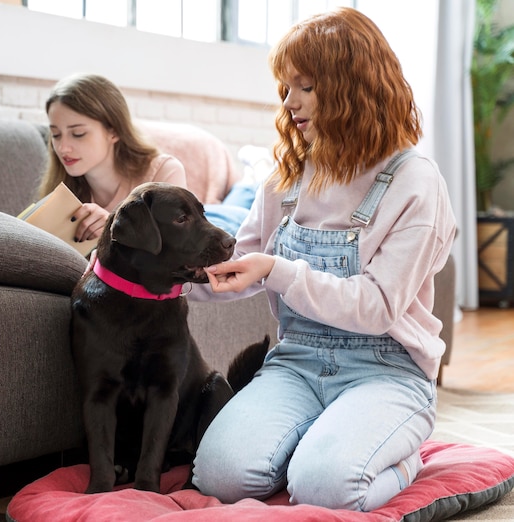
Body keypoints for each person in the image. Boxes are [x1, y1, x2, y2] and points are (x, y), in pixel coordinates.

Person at [189, 7, 457, 512]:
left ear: (353, 86)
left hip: (388, 370)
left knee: (325, 488)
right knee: (219, 477)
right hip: (297, 363)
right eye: (285, 88)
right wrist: (156, 271)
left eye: (305, 86)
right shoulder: (289, 174)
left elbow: (378, 306)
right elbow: (243, 260)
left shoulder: (415, 180)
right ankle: (326, 435)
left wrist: (279, 270)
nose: (289, 102)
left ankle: (402, 458)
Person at [38, 73, 265, 243]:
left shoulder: (164, 171)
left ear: (113, 131)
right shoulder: (65, 192)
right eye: (55, 134)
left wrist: (111, 225)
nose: (63, 147)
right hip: (202, 212)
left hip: (208, 221)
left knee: (251, 203)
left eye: (78, 134)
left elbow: (175, 245)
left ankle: (258, 169)